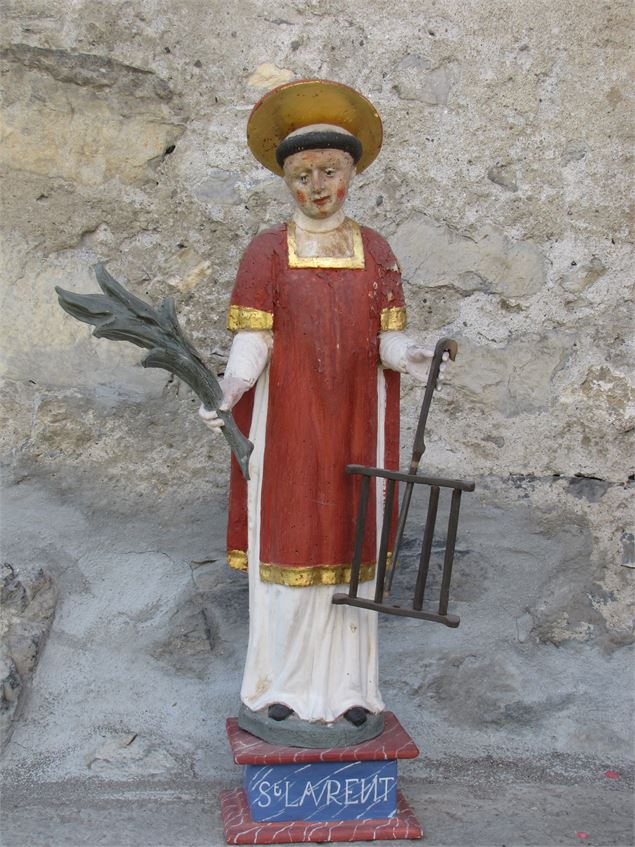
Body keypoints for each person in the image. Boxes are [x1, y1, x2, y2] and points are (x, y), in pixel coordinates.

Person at [199, 80, 448, 729]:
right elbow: (253, 340)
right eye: (302, 174)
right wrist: (229, 389)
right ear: (286, 179)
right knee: (290, 547)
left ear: (350, 173)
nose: (315, 186)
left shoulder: (378, 253)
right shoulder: (265, 252)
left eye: (329, 172)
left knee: (351, 549)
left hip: (353, 431)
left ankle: (349, 690)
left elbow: (388, 340)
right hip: (290, 435)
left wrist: (413, 354)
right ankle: (277, 686)